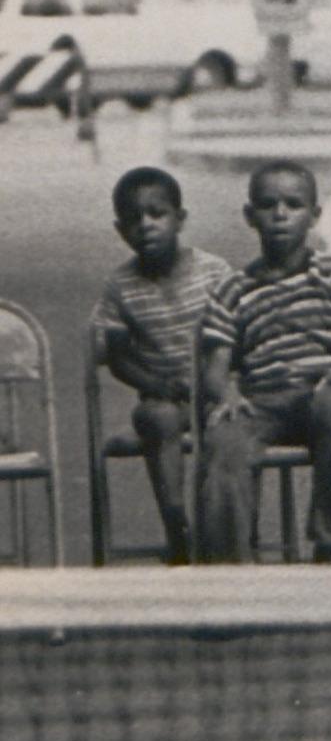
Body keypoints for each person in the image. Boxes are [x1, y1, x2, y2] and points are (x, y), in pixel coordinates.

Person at [194, 161, 331, 564]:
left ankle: (329, 534)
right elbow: (214, 366)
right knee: (225, 441)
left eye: (293, 205)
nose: (280, 215)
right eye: (268, 205)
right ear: (250, 216)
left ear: (314, 216)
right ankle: (229, 566)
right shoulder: (233, 290)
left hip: (319, 392)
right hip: (260, 400)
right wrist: (226, 391)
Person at [90, 166, 234, 565]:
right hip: (165, 395)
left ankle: (223, 529)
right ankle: (176, 523)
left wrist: (213, 381)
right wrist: (157, 383)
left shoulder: (213, 271)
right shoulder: (121, 285)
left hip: (215, 390)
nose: (146, 225)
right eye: (134, 219)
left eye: (157, 214)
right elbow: (117, 357)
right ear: (121, 230)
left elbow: (237, 336)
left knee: (230, 427)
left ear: (180, 219)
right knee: (158, 420)